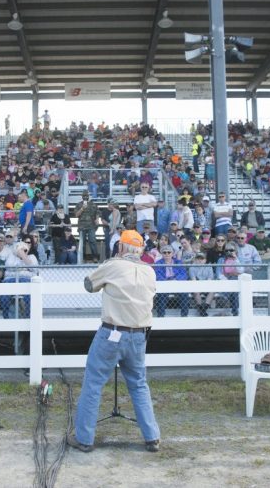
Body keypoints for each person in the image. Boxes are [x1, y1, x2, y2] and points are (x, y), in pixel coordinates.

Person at [69, 230, 160, 453]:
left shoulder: (114, 265)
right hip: (139, 335)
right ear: (140, 250)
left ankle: (84, 439)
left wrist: (110, 267)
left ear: (121, 247)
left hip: (112, 332)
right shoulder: (149, 271)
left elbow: (89, 285)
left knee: (93, 383)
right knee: (139, 384)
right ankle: (152, 437)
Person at [154, 245, 189, 317]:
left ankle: (184, 315)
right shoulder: (158, 263)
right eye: (164, 252)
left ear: (172, 254)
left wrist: (176, 280)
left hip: (177, 283)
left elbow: (183, 274)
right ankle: (161, 315)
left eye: (169, 252)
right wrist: (166, 281)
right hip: (164, 284)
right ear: (162, 254)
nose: (167, 254)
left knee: (184, 293)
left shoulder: (178, 262)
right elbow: (157, 275)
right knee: (161, 295)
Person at [75, 189, 99, 262]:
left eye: (86, 196)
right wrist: (82, 208)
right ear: (82, 197)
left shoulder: (93, 204)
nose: (85, 197)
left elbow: (97, 212)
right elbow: (76, 215)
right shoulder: (79, 204)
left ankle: (95, 257)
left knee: (92, 241)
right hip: (82, 227)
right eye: (84, 196)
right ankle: (83, 258)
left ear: (88, 196)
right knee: (83, 243)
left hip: (91, 226)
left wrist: (97, 219)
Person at [189, 252, 216, 316]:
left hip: (207, 285)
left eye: (202, 259)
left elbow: (210, 279)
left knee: (212, 291)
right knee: (196, 291)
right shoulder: (192, 268)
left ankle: (203, 309)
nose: (200, 260)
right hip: (196, 286)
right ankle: (202, 308)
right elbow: (194, 280)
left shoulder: (209, 266)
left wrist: (205, 286)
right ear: (195, 260)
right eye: (198, 259)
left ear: (205, 260)